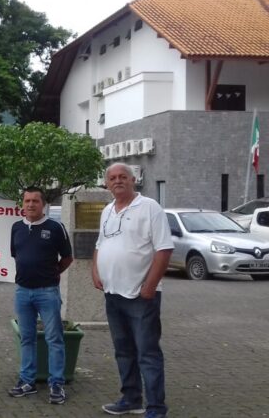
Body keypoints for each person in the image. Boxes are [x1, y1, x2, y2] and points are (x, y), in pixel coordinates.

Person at [92, 162, 173, 418]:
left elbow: (164, 249)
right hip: (113, 294)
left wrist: (149, 286)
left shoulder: (149, 207)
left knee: (147, 353)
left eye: (123, 177)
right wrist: (95, 271)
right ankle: (131, 399)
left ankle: (156, 408)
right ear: (106, 183)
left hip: (141, 295)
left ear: (133, 179)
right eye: (112, 178)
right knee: (123, 350)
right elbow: (99, 244)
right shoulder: (107, 210)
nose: (117, 181)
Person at [8, 187, 73, 405]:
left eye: (35, 201)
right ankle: (27, 381)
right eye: (27, 200)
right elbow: (17, 255)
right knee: (27, 338)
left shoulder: (55, 227)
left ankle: (57, 384)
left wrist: (51, 274)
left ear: (43, 204)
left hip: (47, 292)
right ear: (22, 204)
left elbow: (67, 257)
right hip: (22, 292)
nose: (31, 204)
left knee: (54, 338)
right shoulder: (16, 228)